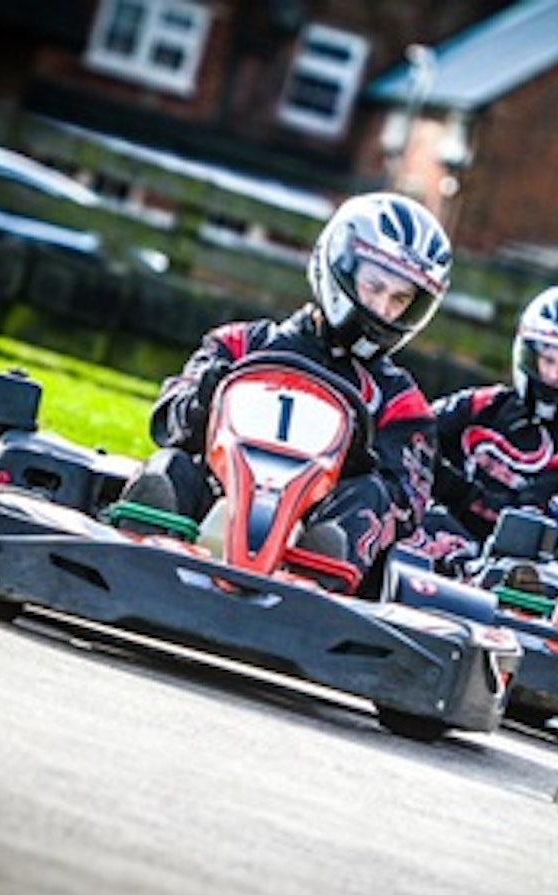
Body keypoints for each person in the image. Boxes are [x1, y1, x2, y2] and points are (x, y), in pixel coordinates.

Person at [120, 191, 452, 594]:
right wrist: (206, 398)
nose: (383, 309)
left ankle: (314, 581)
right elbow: (165, 422)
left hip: (313, 526)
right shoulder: (240, 344)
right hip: (218, 502)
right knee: (172, 463)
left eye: (400, 299)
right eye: (374, 285)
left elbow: (407, 506)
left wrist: (354, 463)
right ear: (339, 265)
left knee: (368, 498)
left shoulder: (402, 404)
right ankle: (144, 545)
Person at [418, 283, 558, 570]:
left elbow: (527, 527)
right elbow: (411, 431)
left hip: (500, 574)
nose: (554, 375)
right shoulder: (485, 403)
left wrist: (446, 484)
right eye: (548, 359)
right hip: (423, 526)